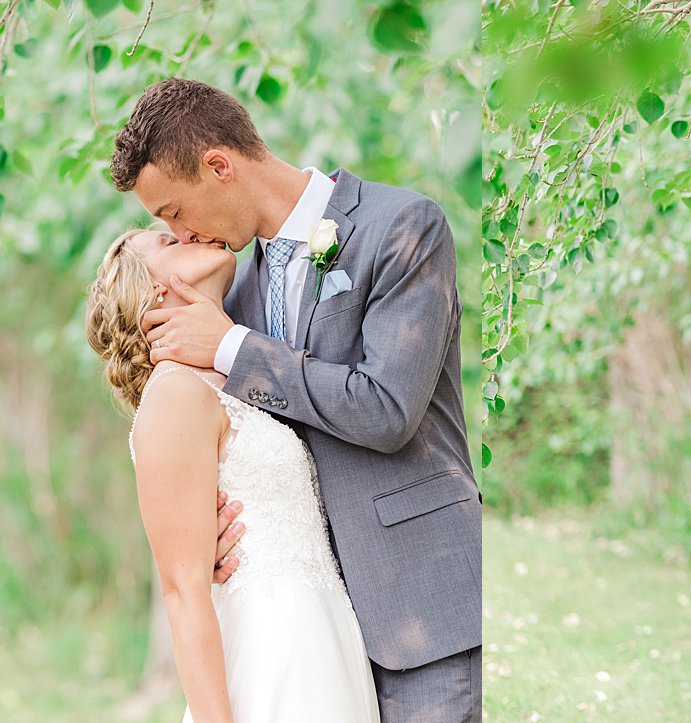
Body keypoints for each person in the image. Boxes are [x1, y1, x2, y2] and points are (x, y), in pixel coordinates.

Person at [112, 77, 482, 721]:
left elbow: (388, 410)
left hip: (421, 606)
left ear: (219, 166)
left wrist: (233, 348)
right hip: (314, 634)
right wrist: (213, 537)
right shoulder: (232, 292)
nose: (181, 232)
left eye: (173, 212)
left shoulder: (401, 227)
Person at [88, 228, 381, 721]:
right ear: (153, 290)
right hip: (270, 647)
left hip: (325, 638)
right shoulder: (175, 393)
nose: (190, 233)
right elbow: (183, 591)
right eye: (168, 241)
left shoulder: (232, 374)